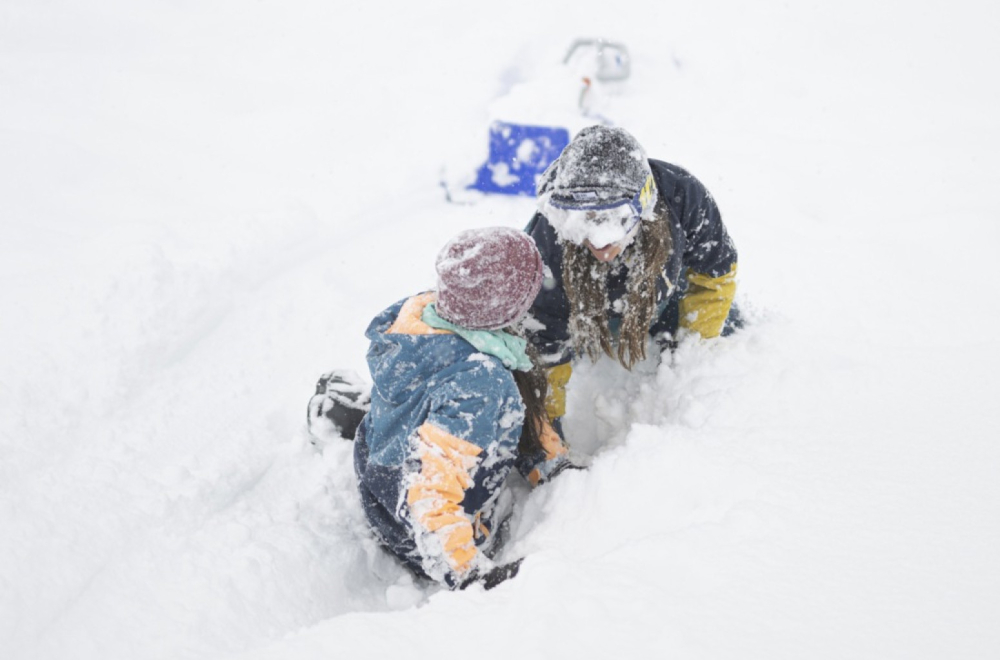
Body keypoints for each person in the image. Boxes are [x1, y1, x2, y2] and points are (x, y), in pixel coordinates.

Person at [353, 227, 571, 590]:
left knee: (425, 405)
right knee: (461, 422)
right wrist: (470, 573)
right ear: (508, 306)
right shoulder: (479, 383)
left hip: (377, 463)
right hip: (417, 531)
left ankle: (342, 407)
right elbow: (429, 496)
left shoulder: (418, 315)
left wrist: (549, 458)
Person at [525, 125, 741, 428]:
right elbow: (543, 336)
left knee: (731, 328)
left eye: (617, 218)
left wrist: (690, 356)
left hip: (663, 295)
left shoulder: (683, 196)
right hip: (581, 311)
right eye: (586, 221)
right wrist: (546, 431)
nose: (599, 242)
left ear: (643, 203)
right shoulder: (548, 242)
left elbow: (715, 271)